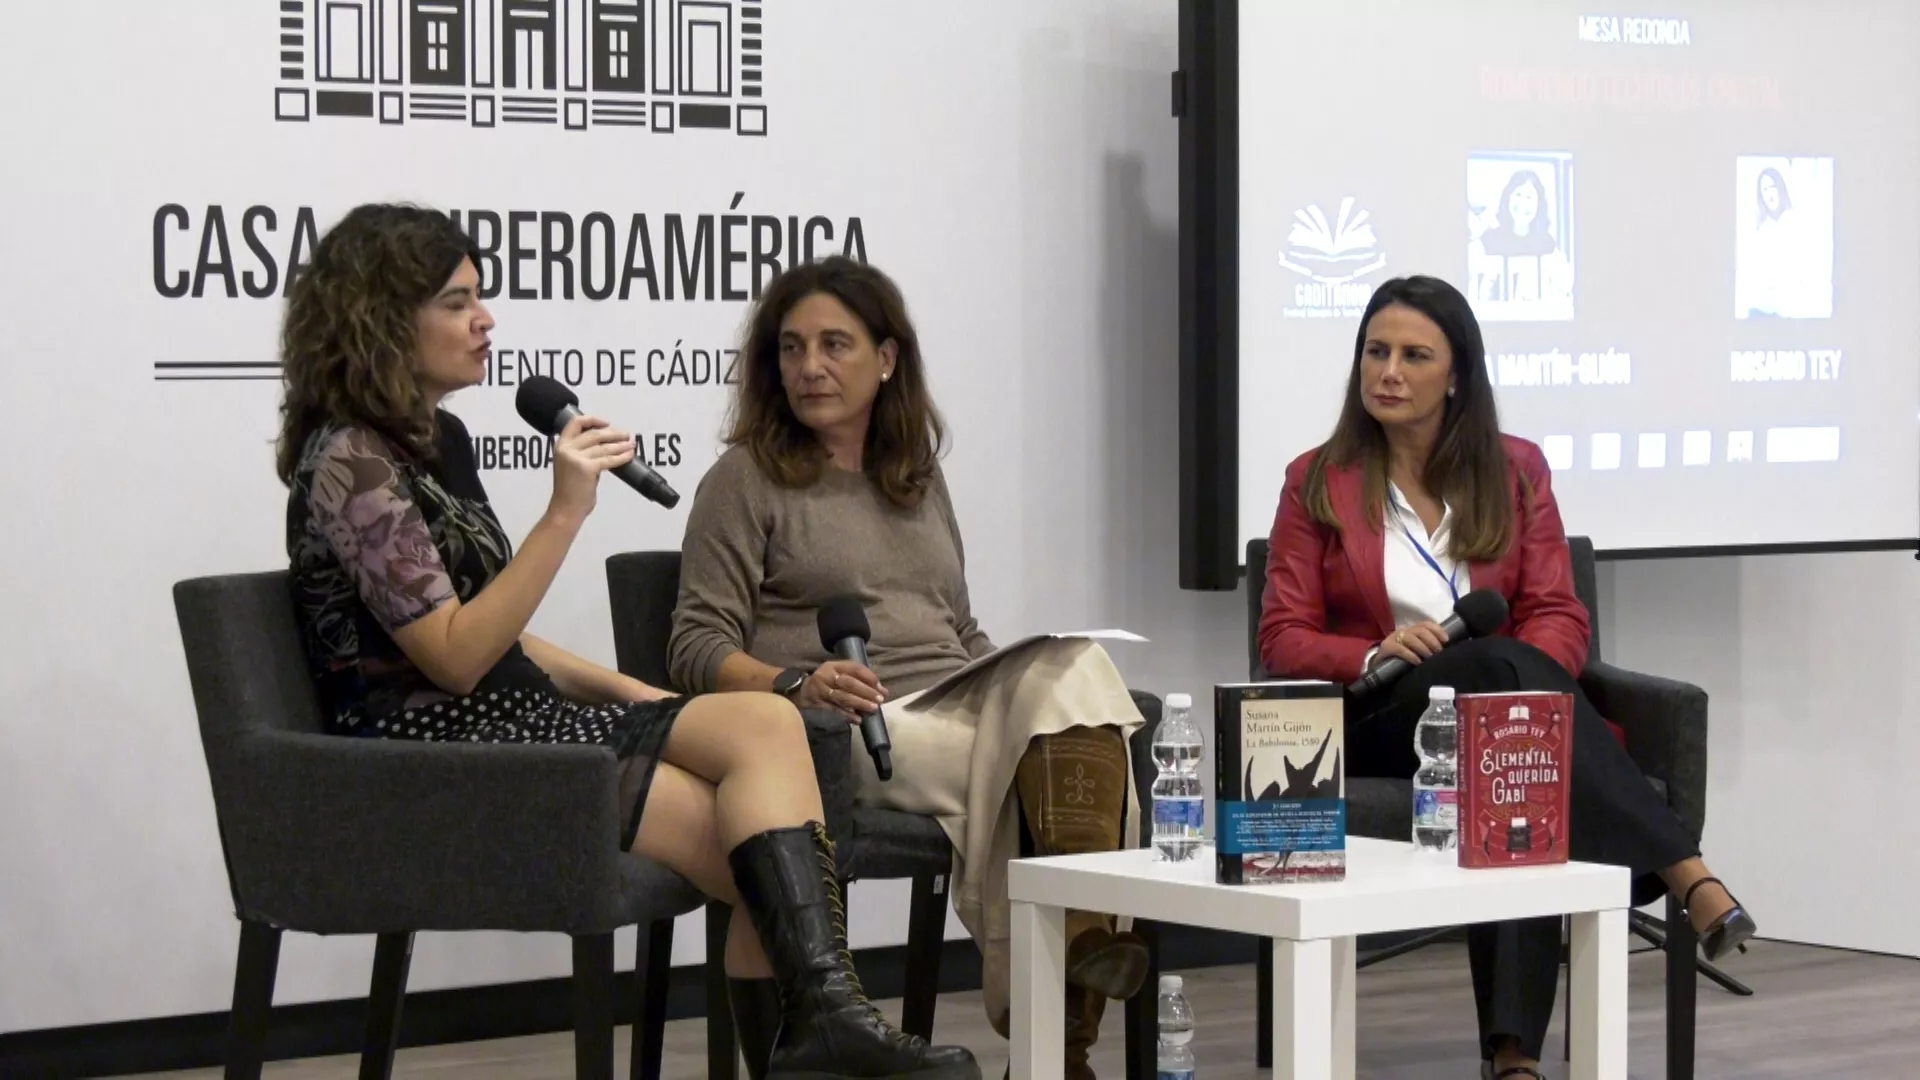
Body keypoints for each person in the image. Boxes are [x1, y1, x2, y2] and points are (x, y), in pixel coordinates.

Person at [276, 204, 978, 1080]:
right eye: (458, 303)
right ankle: (828, 1031)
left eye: (479, 298)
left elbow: (499, 633)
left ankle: (825, 1029)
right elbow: (454, 657)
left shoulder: (437, 441)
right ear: (381, 319)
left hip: (511, 720)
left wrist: (633, 693)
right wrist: (565, 513)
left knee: (770, 768)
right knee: (765, 858)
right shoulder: (348, 461)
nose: (485, 319)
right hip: (430, 757)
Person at [1257, 274, 1757, 1080]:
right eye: (1376, 352)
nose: (1389, 372)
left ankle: (1515, 1058)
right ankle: (1686, 871)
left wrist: (1519, 697)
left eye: (1414, 356)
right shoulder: (1317, 479)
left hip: (1498, 721)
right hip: (1380, 716)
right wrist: (1376, 651)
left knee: (1515, 753)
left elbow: (1557, 613)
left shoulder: (1516, 470)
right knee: (1499, 676)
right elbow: (1282, 638)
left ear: (1457, 375)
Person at [667, 256, 1148, 1080]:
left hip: (955, 707)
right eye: (791, 348)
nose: (809, 366)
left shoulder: (915, 477)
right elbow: (694, 645)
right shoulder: (743, 481)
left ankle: (1065, 992)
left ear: (886, 358)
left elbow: (956, 626)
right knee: (1050, 751)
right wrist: (795, 684)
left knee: (1075, 672)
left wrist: (1017, 678)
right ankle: (1063, 1025)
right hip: (850, 728)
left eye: (834, 345)